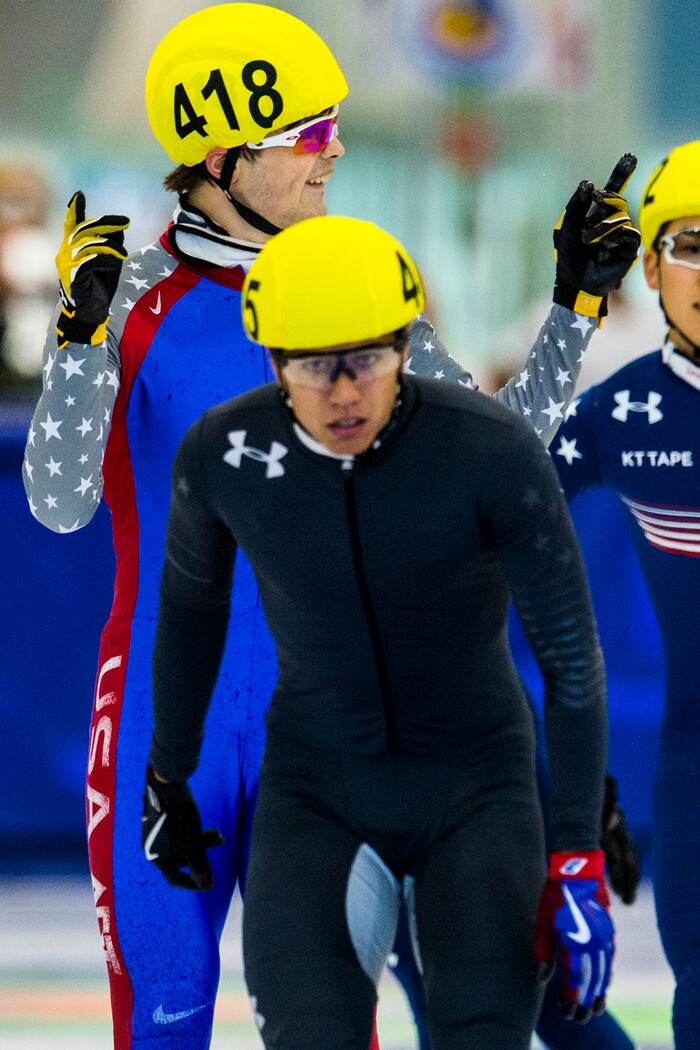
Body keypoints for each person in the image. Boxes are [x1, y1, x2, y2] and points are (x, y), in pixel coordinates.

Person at [21, 4, 639, 1047]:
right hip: (177, 722)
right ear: (219, 156)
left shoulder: (354, 280)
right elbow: (57, 499)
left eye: (335, 123)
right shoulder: (124, 291)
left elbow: (500, 460)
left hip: (350, 724)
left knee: (384, 1017)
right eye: (310, 133)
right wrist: (79, 342)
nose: (336, 149)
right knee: (165, 1021)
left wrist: (572, 310)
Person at [142, 214, 615, 1050]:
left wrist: (576, 853)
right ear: (270, 354)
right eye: (313, 365)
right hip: (319, 791)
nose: (345, 391)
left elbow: (572, 660)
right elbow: (190, 613)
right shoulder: (223, 453)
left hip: (477, 789)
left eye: (369, 357)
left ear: (407, 341)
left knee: (480, 1031)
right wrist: (169, 778)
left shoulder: (490, 449)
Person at [549, 138, 700, 1050]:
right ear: (648, 266)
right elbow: (481, 490)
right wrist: (573, 309)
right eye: (692, 244)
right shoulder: (623, 408)